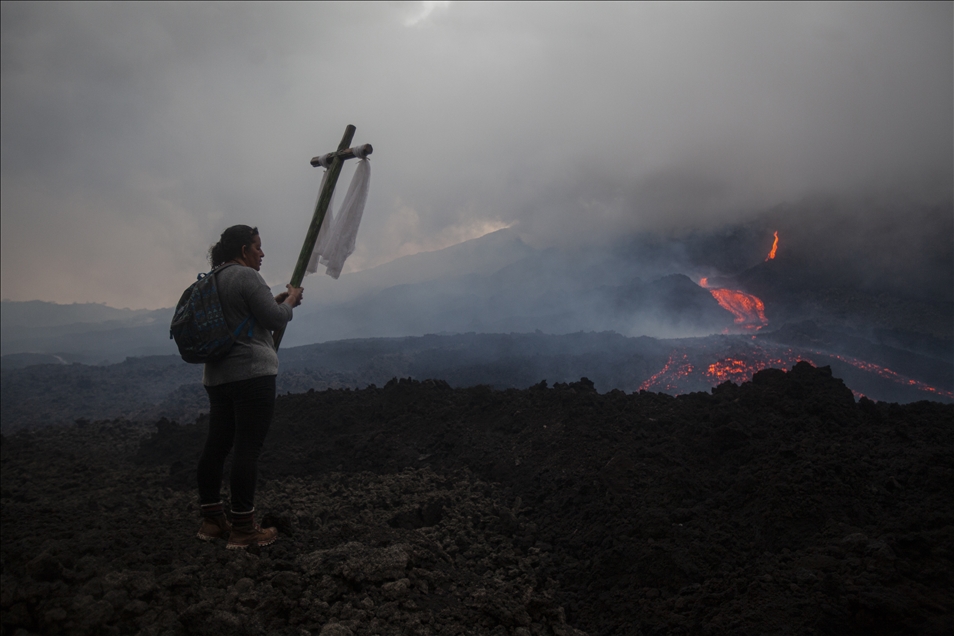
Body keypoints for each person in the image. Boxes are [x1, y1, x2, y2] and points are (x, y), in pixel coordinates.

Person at [194, 224, 303, 549]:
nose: (262, 254)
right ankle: (244, 528)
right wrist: (291, 301)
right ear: (244, 250)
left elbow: (249, 314)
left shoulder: (210, 281)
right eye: (258, 247)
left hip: (217, 378)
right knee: (247, 448)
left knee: (217, 446)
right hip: (251, 376)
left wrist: (276, 303)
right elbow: (273, 319)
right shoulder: (246, 277)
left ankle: (213, 520)